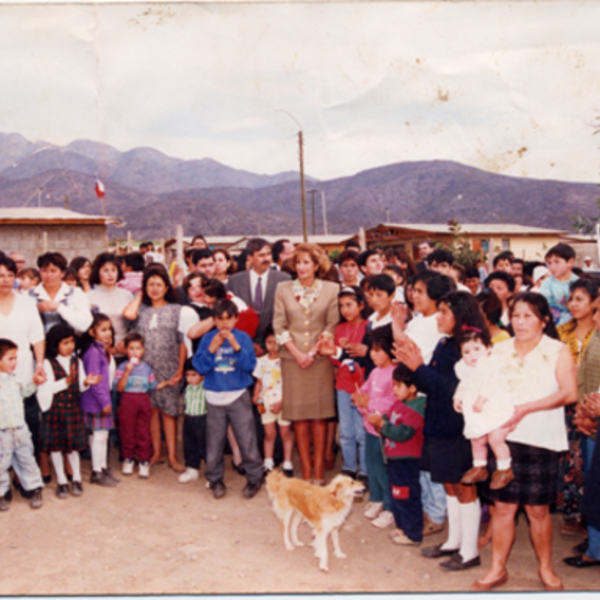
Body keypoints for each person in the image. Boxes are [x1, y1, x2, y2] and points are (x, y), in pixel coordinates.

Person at [471, 292, 577, 591]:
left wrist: (527, 408)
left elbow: (569, 393)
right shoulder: (500, 351)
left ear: (544, 320)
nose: (520, 322)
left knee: (537, 510)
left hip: (541, 439)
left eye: (528, 315)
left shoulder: (557, 350)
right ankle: (496, 569)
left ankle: (545, 568)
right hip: (502, 440)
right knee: (502, 508)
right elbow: (483, 386)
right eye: (515, 315)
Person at [395, 292, 489, 572]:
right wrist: (417, 368)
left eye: (445, 311)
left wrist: (419, 368)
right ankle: (453, 542)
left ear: (460, 316)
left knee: (464, 486)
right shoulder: (445, 342)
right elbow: (433, 382)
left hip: (459, 427)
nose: (439, 316)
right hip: (439, 422)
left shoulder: (469, 346)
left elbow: (453, 388)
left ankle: (470, 551)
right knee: (449, 484)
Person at [273, 243, 339, 483]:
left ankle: (319, 472)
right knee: (299, 417)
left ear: (317, 265)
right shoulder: (283, 289)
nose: (301, 267)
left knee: (320, 417)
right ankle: (306, 472)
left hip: (319, 360)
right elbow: (278, 325)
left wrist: (312, 352)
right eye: (298, 262)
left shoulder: (332, 289)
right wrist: (297, 352)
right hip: (292, 360)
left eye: (306, 262)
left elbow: (331, 325)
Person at [123, 265, 198, 472]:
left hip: (170, 367)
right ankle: (156, 453)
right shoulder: (141, 310)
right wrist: (139, 295)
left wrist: (181, 367)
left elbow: (181, 341)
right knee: (152, 412)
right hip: (146, 369)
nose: (154, 289)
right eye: (150, 284)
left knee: (169, 412)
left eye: (158, 284)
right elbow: (127, 314)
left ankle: (173, 457)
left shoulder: (176, 310)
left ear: (166, 287)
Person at [193, 299, 263, 499]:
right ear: (213, 320)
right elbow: (200, 367)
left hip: (238, 395)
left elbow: (250, 366)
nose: (224, 323)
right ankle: (214, 479)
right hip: (214, 396)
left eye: (229, 319)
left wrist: (236, 346)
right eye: (220, 319)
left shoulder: (243, 338)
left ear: (236, 319)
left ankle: (254, 477)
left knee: (246, 439)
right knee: (214, 443)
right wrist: (211, 349)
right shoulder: (208, 339)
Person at [555, 277, 599, 536]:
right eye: (570, 299)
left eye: (580, 299)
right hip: (567, 405)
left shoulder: (599, 332)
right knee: (570, 460)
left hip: (594, 406)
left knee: (590, 462)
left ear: (595, 301)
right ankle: (573, 514)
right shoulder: (562, 332)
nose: (573, 304)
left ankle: (591, 520)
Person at [367, 363, 426, 545]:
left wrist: (383, 425)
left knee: (407, 496)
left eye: (399, 385)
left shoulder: (416, 409)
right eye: (393, 384)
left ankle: (413, 533)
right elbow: (388, 419)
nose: (395, 389)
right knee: (397, 495)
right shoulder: (398, 403)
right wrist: (380, 420)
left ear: (413, 387)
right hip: (394, 457)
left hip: (407, 460)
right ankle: (401, 527)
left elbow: (403, 433)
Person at [453, 329, 515, 489]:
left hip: (495, 409)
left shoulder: (494, 364)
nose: (472, 355)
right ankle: (479, 467)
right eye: (466, 352)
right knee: (477, 439)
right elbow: (464, 384)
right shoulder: (465, 369)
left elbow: (493, 383)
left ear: (488, 348)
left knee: (495, 439)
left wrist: (482, 399)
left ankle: (504, 469)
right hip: (477, 413)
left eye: (476, 349)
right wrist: (457, 397)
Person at [352, 328, 397, 529]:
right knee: (372, 466)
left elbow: (392, 402)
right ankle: (377, 498)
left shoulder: (395, 373)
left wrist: (369, 402)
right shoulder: (376, 372)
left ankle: (390, 507)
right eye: (372, 350)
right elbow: (365, 391)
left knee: (384, 468)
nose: (374, 354)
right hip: (370, 429)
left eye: (379, 350)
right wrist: (360, 400)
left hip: (384, 431)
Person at [37, 324, 89, 498]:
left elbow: (80, 386)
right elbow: (46, 389)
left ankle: (76, 478)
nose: (70, 346)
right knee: (56, 448)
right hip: (55, 412)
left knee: (72, 448)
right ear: (55, 344)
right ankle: (61, 481)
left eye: (72, 342)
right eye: (65, 343)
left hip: (72, 411)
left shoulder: (77, 361)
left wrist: (87, 382)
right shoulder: (48, 363)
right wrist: (65, 382)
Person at [0, 338, 44, 511]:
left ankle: (34, 488)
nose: (15, 362)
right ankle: (2, 492)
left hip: (20, 429)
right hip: (2, 431)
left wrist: (35, 383)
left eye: (16, 357)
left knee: (27, 458)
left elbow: (25, 392)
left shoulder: (15, 379)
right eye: (10, 358)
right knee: (1, 463)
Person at [330, 286, 368, 482]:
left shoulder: (369, 326)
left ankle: (366, 470)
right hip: (343, 385)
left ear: (361, 305)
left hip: (363, 384)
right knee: (345, 430)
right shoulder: (339, 329)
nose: (345, 310)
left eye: (349, 304)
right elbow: (336, 359)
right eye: (341, 306)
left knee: (362, 430)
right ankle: (349, 466)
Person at [227, 238, 291, 354]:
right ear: (250, 258)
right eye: (261, 255)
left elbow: (287, 315)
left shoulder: (284, 279)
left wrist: (265, 344)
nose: (266, 259)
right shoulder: (234, 281)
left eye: (268, 254)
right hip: (242, 345)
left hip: (274, 347)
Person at [114, 333, 162, 479]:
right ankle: (128, 458)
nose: (135, 352)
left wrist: (168, 383)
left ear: (143, 350)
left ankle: (144, 461)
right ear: (126, 351)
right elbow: (119, 388)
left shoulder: (147, 368)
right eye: (131, 348)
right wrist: (127, 372)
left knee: (143, 432)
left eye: (138, 348)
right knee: (127, 431)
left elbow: (152, 386)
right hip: (127, 400)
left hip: (143, 401)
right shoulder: (122, 367)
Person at [80, 313, 118, 487]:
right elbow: (95, 383)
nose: (108, 333)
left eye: (109, 329)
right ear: (91, 332)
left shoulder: (99, 350)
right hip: (95, 402)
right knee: (99, 436)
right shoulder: (93, 353)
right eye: (103, 330)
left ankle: (102, 468)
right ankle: (96, 471)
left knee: (102, 436)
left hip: (98, 400)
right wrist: (105, 403)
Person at [252, 327, 294, 477]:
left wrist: (284, 401)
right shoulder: (261, 361)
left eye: (276, 342)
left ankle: (288, 463)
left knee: (285, 433)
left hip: (283, 403)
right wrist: (256, 396)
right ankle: (268, 463)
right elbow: (258, 382)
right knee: (269, 434)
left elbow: (290, 384)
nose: (273, 346)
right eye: (269, 342)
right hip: (265, 402)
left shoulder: (286, 361)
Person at [30, 252, 93, 335]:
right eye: (44, 271)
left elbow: (85, 324)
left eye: (53, 271)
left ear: (62, 273)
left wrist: (58, 307)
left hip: (70, 345)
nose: (49, 275)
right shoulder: (29, 295)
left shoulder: (75, 293)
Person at [87, 253, 134, 351]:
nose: (110, 274)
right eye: (105, 270)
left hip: (123, 349)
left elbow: (134, 325)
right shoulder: (89, 296)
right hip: (98, 351)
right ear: (97, 272)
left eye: (113, 270)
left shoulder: (127, 295)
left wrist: (126, 342)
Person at [178, 359, 208, 484]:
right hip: (189, 419)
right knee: (189, 444)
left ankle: (213, 473)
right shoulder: (187, 389)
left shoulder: (207, 387)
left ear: (203, 375)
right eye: (187, 375)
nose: (190, 378)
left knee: (206, 446)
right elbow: (184, 403)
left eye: (193, 375)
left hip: (203, 419)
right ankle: (192, 469)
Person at [540, 242, 579, 326]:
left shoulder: (578, 282)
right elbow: (543, 305)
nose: (552, 266)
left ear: (571, 262)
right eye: (549, 263)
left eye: (557, 262)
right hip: (553, 324)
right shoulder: (547, 284)